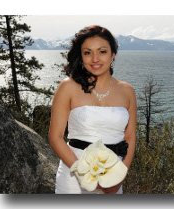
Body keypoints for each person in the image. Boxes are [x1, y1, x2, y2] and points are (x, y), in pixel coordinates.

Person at [48, 25, 136, 194]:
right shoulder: (68, 87)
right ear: (81, 56)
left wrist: (121, 175)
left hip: (112, 177)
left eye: (102, 51)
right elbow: (55, 137)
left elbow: (130, 137)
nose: (95, 59)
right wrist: (84, 174)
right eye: (88, 52)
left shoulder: (127, 90)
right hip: (74, 176)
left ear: (113, 54)